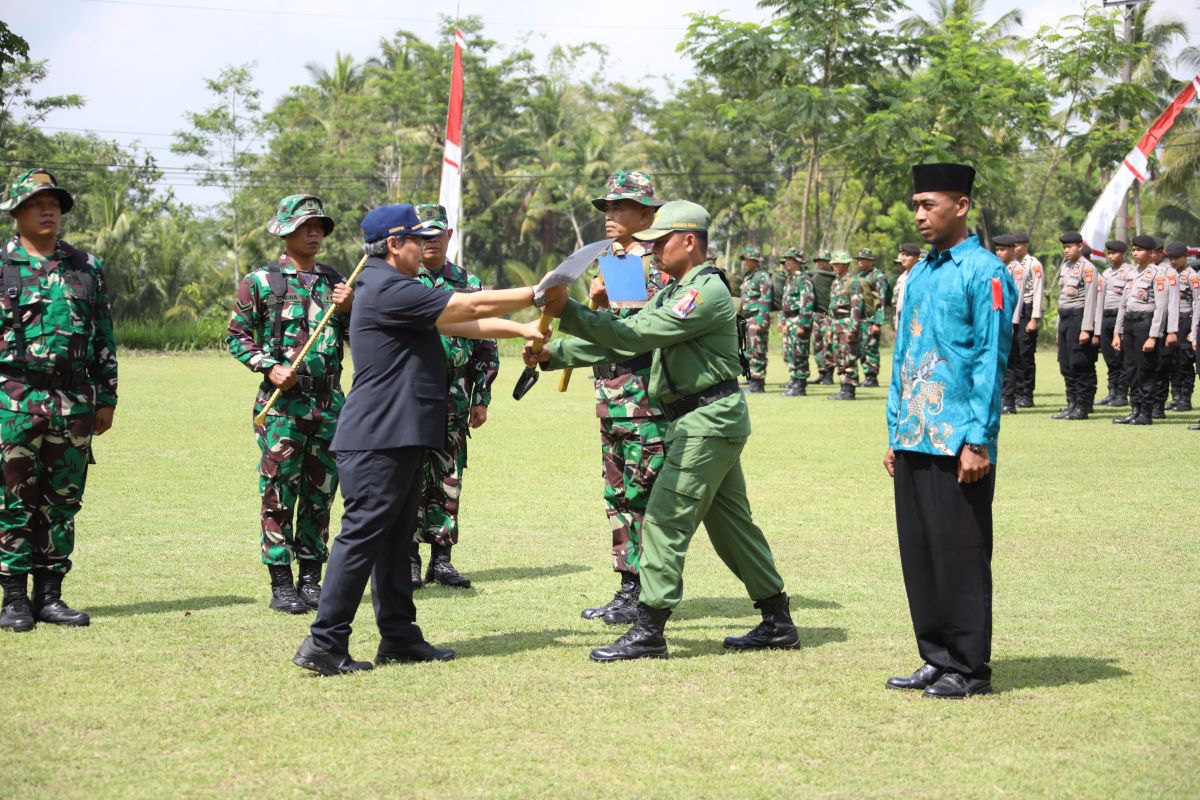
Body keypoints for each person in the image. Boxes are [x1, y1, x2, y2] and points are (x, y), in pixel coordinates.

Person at [292, 203, 562, 676]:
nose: (428, 247)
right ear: (395, 244)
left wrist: (520, 327)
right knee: (360, 540)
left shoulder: (394, 286)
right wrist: (537, 294)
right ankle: (324, 642)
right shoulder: (385, 286)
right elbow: (469, 304)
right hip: (380, 437)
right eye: (418, 239)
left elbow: (458, 322)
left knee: (396, 543)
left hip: (399, 435)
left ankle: (398, 637)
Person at [528, 200, 798, 662]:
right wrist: (556, 352)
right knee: (732, 526)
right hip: (701, 420)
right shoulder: (677, 289)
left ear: (689, 241)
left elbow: (636, 337)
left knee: (663, 521)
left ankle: (650, 629)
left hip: (706, 422)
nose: (651, 252)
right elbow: (629, 332)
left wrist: (568, 313)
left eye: (659, 243)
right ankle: (778, 620)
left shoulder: (702, 292)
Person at [883, 162, 1016, 699]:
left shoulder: (984, 271)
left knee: (960, 554)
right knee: (918, 552)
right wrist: (895, 431)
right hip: (915, 434)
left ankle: (970, 667)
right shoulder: (919, 273)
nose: (919, 215)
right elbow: (904, 356)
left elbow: (990, 359)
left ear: (960, 206)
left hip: (959, 439)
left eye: (929, 204)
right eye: (915, 204)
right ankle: (936, 658)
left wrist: (978, 439)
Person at [0, 168, 117, 632]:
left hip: (73, 400)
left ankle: (50, 596)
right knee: (12, 500)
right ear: (16, 212)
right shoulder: (2, 265)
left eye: (53, 203)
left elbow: (104, 336)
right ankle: (13, 599)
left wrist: (106, 397)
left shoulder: (86, 266)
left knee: (62, 501)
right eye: (36, 203)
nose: (48, 210)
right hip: (12, 397)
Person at [226, 195, 350, 614]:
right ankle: (281, 583)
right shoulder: (262, 281)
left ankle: (311, 580)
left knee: (320, 495)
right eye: (304, 227)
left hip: (329, 404)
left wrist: (351, 307)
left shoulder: (335, 283)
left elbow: (358, 334)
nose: (314, 233)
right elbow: (236, 336)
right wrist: (268, 366)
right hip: (283, 407)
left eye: (318, 227)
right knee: (278, 494)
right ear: (284, 231)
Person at [577, 170, 669, 625]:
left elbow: (641, 328)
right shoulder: (613, 258)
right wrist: (596, 302)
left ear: (647, 214)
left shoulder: (657, 260)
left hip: (644, 398)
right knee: (617, 494)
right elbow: (606, 327)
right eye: (607, 208)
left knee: (644, 493)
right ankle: (627, 587)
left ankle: (648, 592)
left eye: (620, 207)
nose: (610, 215)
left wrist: (606, 296)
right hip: (611, 394)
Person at [409, 204, 499, 590]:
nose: (430, 241)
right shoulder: (404, 280)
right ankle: (408, 558)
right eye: (422, 235)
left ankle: (441, 559)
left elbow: (486, 342)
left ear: (449, 235)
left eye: (436, 234)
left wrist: (481, 396)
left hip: (455, 395)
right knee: (410, 474)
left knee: (448, 475)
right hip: (412, 394)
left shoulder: (467, 281)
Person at [1112, 235, 1171, 426]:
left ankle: (1146, 412)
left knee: (1145, 369)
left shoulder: (1158, 274)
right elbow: (1123, 305)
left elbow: (1161, 309)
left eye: (1140, 250)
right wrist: (1117, 331)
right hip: (1129, 325)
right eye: (1134, 250)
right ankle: (1135, 409)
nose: (1136, 254)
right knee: (1130, 369)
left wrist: (1154, 336)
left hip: (1145, 325)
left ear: (1151, 253)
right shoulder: (1132, 273)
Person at [1052, 232, 1098, 420]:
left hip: (1079, 318)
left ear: (1080, 246)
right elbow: (1062, 298)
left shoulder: (1088, 268)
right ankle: (1071, 403)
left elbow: (1091, 300)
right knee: (1066, 364)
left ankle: (1083, 406)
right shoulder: (1065, 267)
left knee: (1080, 363)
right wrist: (1058, 327)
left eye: (1069, 246)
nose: (1066, 250)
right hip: (1065, 319)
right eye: (1064, 247)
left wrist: (1086, 328)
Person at [1094, 240, 1135, 407]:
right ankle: (1112, 392)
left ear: (1123, 253)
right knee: (1110, 358)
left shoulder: (1130, 272)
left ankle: (1122, 394)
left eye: (1114, 253)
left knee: (1122, 357)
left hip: (1122, 319)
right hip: (1106, 318)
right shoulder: (1106, 273)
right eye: (1109, 253)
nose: (1111, 256)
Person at [1008, 232, 1044, 407]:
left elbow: (1038, 291)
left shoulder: (1033, 265)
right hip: (1015, 310)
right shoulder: (1011, 265)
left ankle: (1026, 393)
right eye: (1012, 246)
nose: (1014, 249)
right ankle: (1014, 391)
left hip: (1028, 310)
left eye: (1017, 245)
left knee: (1025, 354)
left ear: (1025, 246)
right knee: (1014, 353)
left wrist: (1034, 318)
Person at [825, 251, 864, 401]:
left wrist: (852, 329)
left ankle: (849, 390)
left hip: (848, 325)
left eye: (837, 263)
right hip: (837, 325)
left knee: (849, 357)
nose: (834, 266)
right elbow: (831, 307)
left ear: (846, 264)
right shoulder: (836, 282)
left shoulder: (853, 282)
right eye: (833, 264)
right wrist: (830, 327)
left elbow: (856, 306)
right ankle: (843, 388)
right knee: (839, 357)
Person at [778, 247, 815, 397]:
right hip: (789, 320)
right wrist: (782, 320)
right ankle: (794, 380)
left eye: (790, 260)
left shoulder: (804, 280)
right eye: (786, 260)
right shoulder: (790, 279)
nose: (786, 263)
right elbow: (784, 302)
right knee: (790, 352)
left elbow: (807, 302)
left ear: (797, 262)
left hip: (798, 320)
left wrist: (803, 324)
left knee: (800, 353)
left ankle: (800, 385)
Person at [739, 245, 772, 393]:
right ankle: (753, 378)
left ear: (755, 260)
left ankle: (758, 383)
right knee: (750, 351)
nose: (745, 262)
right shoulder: (748, 276)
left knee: (758, 350)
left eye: (747, 259)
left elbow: (765, 299)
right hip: (748, 319)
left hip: (757, 318)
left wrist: (761, 321)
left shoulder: (762, 277)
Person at [993, 235, 1020, 414]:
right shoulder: (998, 268)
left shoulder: (1017, 270)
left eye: (1003, 249)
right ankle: (1001, 398)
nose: (999, 253)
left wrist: (1011, 322)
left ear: (1013, 250)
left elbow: (1016, 298)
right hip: (999, 320)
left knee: (1010, 362)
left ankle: (1009, 402)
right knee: (1000, 360)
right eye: (997, 250)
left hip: (1011, 320)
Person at [1164, 241, 1193, 412]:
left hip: (1186, 320)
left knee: (1185, 360)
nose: (1173, 261)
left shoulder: (1192, 276)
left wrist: (1192, 329)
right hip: (1171, 321)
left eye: (1176, 258)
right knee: (1172, 360)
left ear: (1185, 257)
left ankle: (1185, 398)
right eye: (1170, 258)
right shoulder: (1168, 275)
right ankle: (1175, 396)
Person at [855, 248, 889, 388]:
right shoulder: (860, 276)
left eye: (863, 259)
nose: (859, 262)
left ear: (870, 261)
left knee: (871, 348)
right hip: (861, 319)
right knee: (862, 348)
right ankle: (867, 375)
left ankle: (872, 377)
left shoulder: (878, 276)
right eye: (858, 259)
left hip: (871, 319)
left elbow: (881, 300)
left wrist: (878, 322)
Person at [809, 252, 836, 385]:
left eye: (822, 261)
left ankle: (829, 375)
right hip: (817, 316)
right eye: (818, 260)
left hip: (829, 317)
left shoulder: (835, 278)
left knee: (828, 345)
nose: (820, 263)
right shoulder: (815, 277)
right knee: (818, 345)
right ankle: (822, 373)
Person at [892, 243, 921, 330]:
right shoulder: (902, 277)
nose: (903, 258)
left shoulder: (921, 276)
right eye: (903, 255)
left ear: (916, 258)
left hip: (915, 326)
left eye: (907, 255)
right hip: (901, 324)